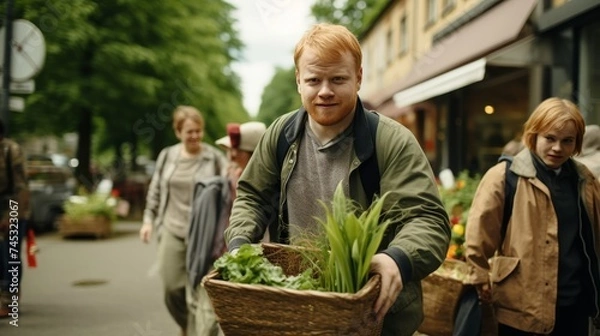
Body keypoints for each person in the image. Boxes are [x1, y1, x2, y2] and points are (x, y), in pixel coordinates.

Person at [223, 23, 451, 336]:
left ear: (358, 77)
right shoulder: (280, 135)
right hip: (295, 305)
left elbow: (426, 218)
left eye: (338, 79)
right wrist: (239, 244)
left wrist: (397, 259)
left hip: (371, 315)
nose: (325, 90)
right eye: (314, 80)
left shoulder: (391, 141)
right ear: (299, 81)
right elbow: (252, 196)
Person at [464, 97, 600, 335]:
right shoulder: (504, 176)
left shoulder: (584, 180)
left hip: (575, 305)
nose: (558, 148)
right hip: (520, 308)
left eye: (567, 141)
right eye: (550, 138)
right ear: (533, 135)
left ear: (577, 143)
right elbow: (478, 235)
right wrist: (478, 277)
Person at [139, 106, 227, 336]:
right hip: (172, 227)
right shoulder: (168, 156)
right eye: (189, 132)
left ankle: (198, 329)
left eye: (198, 131)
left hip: (204, 234)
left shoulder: (214, 158)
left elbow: (228, 191)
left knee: (201, 288)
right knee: (171, 288)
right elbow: (156, 190)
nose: (195, 136)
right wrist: (148, 220)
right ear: (178, 132)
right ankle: (187, 324)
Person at [187, 121, 266, 336]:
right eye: (230, 151)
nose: (230, 157)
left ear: (253, 155)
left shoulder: (271, 189)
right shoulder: (218, 186)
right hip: (216, 266)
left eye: (236, 151)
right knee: (205, 326)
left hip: (253, 271)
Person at [0, 119, 30, 318]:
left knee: (9, 256)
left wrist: (11, 216)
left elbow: (21, 187)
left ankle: (9, 300)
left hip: (13, 209)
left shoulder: (10, 150)